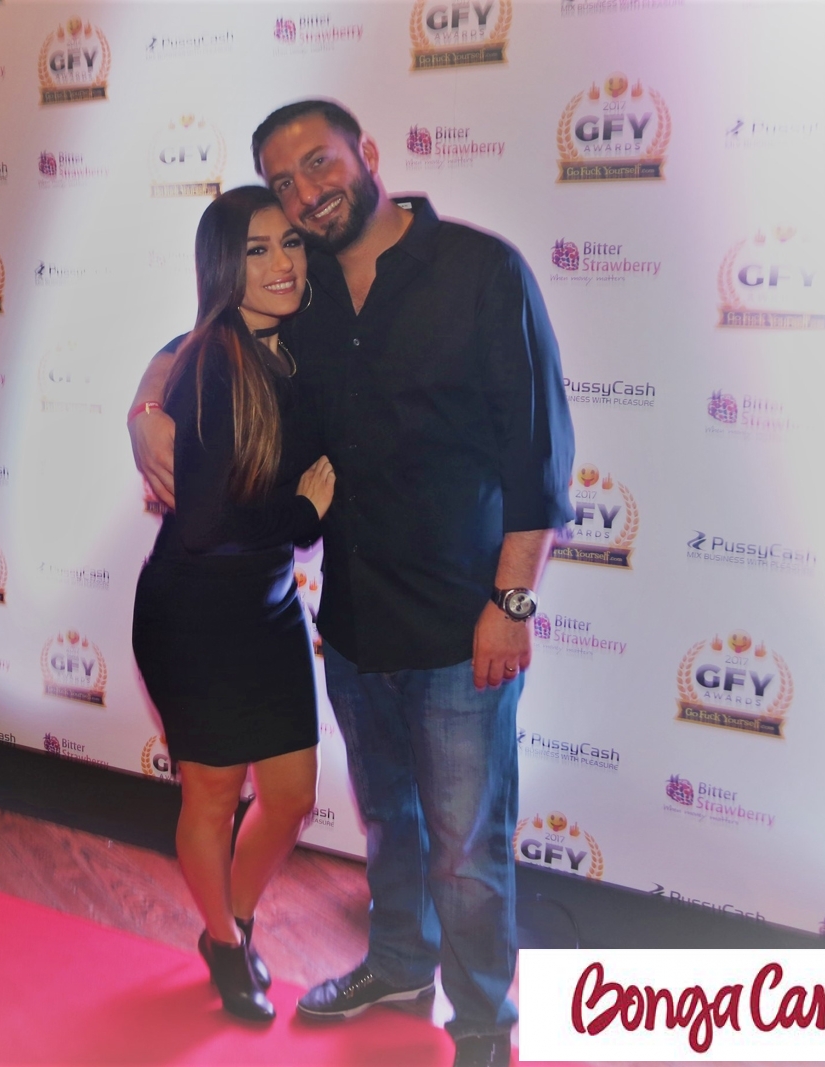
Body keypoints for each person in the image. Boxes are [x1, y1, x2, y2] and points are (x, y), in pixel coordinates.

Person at [129, 101, 575, 1067]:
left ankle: (483, 1019)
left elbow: (538, 459)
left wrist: (512, 604)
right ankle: (399, 966)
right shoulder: (312, 289)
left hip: (461, 624)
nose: (306, 192)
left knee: (468, 846)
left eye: (319, 164)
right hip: (355, 625)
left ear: (367, 155)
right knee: (391, 827)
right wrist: (145, 400)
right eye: (283, 182)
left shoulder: (482, 272)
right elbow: (209, 327)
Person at [130, 185, 337, 1024]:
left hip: (271, 605)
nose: (283, 263)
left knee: (289, 797)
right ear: (225, 265)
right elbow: (206, 524)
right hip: (197, 615)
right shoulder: (215, 361)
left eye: (291, 243)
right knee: (211, 798)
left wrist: (142, 402)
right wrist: (303, 515)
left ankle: (234, 920)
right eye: (257, 250)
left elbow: (166, 349)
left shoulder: (294, 339)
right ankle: (222, 939)